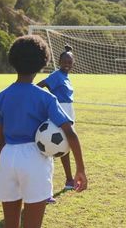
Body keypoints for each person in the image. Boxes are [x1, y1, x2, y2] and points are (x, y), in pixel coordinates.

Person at [0, 35, 88, 228]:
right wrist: (80, 169)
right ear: (43, 62)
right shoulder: (46, 98)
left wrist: (5, 164)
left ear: (13, 61)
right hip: (35, 158)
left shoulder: (1, 96)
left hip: (8, 156)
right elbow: (70, 133)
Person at [37, 44, 76, 203]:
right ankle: (46, 191)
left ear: (73, 63)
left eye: (70, 61)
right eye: (64, 61)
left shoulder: (66, 76)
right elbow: (40, 85)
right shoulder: (56, 75)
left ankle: (69, 181)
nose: (67, 63)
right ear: (59, 62)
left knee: (65, 148)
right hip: (58, 114)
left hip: (68, 112)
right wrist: (41, 100)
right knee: (51, 150)